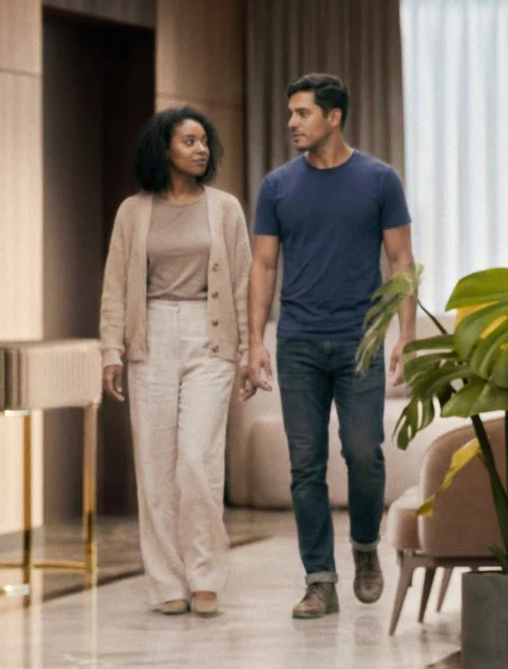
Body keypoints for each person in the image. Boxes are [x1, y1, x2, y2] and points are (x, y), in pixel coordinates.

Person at [246, 73, 415, 620]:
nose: (292, 123)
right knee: (305, 466)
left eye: (303, 113)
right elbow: (263, 264)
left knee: (364, 454)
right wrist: (255, 342)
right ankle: (319, 579)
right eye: (291, 113)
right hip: (296, 343)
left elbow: (401, 262)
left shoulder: (379, 180)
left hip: (359, 343)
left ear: (334, 116)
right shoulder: (276, 187)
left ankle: (366, 549)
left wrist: (406, 334)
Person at [98, 108, 250, 617]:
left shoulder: (225, 208)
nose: (201, 149)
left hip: (210, 340)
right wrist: (110, 351)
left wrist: (249, 352)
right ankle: (167, 580)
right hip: (151, 338)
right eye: (189, 141)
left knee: (196, 462)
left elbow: (246, 286)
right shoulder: (133, 211)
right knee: (155, 466)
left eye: (205, 141)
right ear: (165, 148)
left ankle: (205, 575)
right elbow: (116, 286)